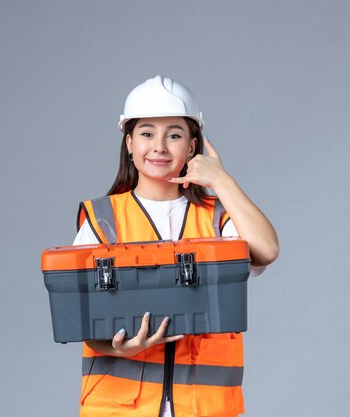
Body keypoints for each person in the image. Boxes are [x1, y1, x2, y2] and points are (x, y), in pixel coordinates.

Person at [73, 75, 279, 417]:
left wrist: (221, 180)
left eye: (174, 134)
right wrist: (120, 348)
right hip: (120, 409)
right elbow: (83, 322)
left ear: (193, 146)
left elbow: (267, 250)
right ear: (128, 142)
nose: (159, 146)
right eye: (147, 133)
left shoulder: (219, 219)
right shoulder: (102, 219)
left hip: (204, 409)